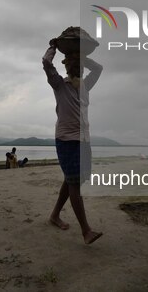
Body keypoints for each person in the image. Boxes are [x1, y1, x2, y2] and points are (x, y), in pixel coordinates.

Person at [42, 37, 103, 245]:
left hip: (83, 141)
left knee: (73, 180)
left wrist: (82, 57)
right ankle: (86, 230)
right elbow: (47, 63)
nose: (78, 68)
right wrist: (53, 47)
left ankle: (54, 216)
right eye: (73, 64)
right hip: (66, 140)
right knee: (75, 185)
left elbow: (99, 69)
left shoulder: (85, 87)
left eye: (80, 66)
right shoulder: (60, 85)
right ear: (67, 67)